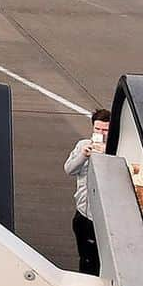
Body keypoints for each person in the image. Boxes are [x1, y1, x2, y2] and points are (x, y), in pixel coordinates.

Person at [64, 108, 110, 276]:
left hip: (105, 217)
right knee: (86, 260)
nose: (101, 133)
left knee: (103, 262)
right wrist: (83, 155)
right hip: (84, 214)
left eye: (105, 130)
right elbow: (69, 169)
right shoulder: (83, 145)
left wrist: (106, 156)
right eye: (97, 129)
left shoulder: (116, 150)